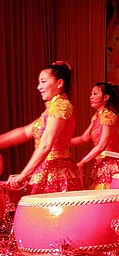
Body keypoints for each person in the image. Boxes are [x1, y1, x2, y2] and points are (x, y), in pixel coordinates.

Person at [0, 62, 83, 193]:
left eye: (43, 81)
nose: (39, 87)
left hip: (56, 173)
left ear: (59, 83)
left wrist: (23, 175)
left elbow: (46, 145)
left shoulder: (61, 106)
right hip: (47, 170)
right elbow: (25, 132)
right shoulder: (50, 111)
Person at [71, 82, 119, 189]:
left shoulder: (108, 115)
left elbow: (102, 145)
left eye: (95, 94)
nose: (91, 97)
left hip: (109, 163)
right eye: (91, 94)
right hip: (99, 162)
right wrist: (60, 142)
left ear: (106, 97)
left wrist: (82, 162)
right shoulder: (96, 117)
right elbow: (83, 138)